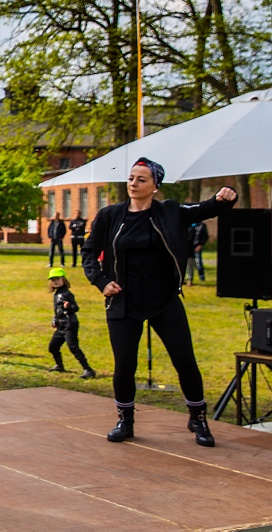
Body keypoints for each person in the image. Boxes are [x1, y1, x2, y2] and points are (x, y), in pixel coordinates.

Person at [82, 157, 235, 447]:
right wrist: (102, 282)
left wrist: (225, 197)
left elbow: (204, 209)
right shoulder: (110, 215)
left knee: (185, 361)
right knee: (124, 366)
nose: (133, 184)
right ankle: (125, 421)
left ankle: (198, 418)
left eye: (141, 179)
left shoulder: (169, 211)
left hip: (164, 300)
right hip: (123, 302)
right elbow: (89, 252)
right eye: (130, 178)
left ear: (155, 186)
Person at [45, 268, 95, 379]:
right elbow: (57, 310)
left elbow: (76, 308)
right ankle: (59, 365)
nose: (55, 281)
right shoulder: (57, 294)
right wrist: (55, 319)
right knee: (53, 347)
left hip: (69, 324)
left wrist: (69, 307)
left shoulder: (67, 294)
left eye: (57, 279)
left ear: (63, 279)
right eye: (53, 280)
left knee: (73, 347)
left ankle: (88, 369)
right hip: (61, 325)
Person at [186, 221, 208, 286]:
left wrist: (200, 245)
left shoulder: (202, 225)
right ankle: (187, 279)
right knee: (188, 264)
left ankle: (201, 277)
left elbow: (205, 236)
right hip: (188, 248)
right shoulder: (188, 225)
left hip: (197, 246)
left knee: (198, 263)